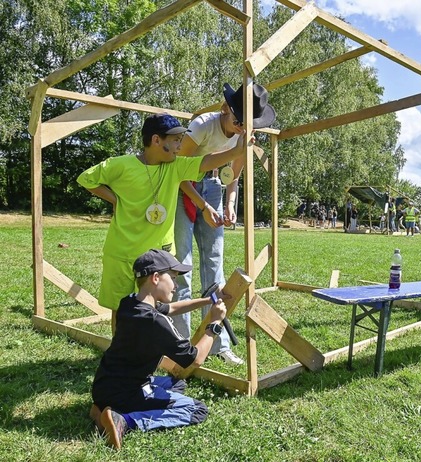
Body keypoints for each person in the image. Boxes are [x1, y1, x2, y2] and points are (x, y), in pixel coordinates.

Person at [77, 113, 244, 331]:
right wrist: (114, 199)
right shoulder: (120, 165)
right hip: (121, 255)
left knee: (157, 308)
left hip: (159, 258)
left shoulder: (176, 167)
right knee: (121, 309)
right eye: (175, 140)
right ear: (156, 140)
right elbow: (86, 179)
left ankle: (148, 353)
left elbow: (206, 162)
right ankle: (120, 354)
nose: (179, 146)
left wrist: (237, 151)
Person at [172, 82, 276, 366]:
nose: (243, 128)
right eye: (239, 121)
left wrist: (229, 204)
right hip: (183, 188)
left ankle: (218, 342)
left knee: (214, 267)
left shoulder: (245, 137)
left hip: (214, 188)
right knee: (182, 266)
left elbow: (233, 178)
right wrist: (203, 206)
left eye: (249, 124)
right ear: (225, 109)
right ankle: (179, 345)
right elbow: (177, 172)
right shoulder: (202, 127)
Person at [90, 249, 227, 450]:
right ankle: (125, 421)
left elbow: (172, 308)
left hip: (104, 385)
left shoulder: (129, 303)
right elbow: (194, 359)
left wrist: (210, 300)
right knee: (196, 409)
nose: (176, 284)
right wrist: (214, 324)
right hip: (128, 392)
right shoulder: (156, 322)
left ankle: (101, 408)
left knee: (177, 384)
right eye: (172, 278)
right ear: (155, 278)